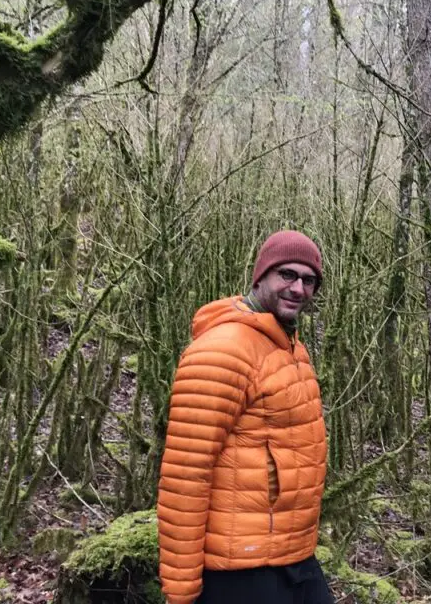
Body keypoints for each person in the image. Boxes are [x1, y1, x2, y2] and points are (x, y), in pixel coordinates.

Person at [157, 230, 334, 604]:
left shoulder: (290, 347)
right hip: (240, 568)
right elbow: (186, 476)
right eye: (286, 274)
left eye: (308, 280)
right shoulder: (223, 351)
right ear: (260, 277)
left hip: (292, 556)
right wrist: (182, 591)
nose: (298, 288)